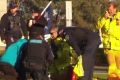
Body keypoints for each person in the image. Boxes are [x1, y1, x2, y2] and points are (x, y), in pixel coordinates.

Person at [23, 16, 54, 80]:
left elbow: (23, 55)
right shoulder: (45, 44)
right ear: (41, 35)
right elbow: (50, 58)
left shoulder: (27, 43)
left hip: (27, 67)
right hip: (40, 68)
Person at [97, 1, 120, 79]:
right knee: (112, 66)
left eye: (110, 8)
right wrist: (104, 18)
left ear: (115, 9)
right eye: (108, 8)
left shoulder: (119, 16)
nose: (108, 10)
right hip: (108, 47)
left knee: (118, 68)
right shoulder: (103, 17)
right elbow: (98, 26)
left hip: (118, 47)